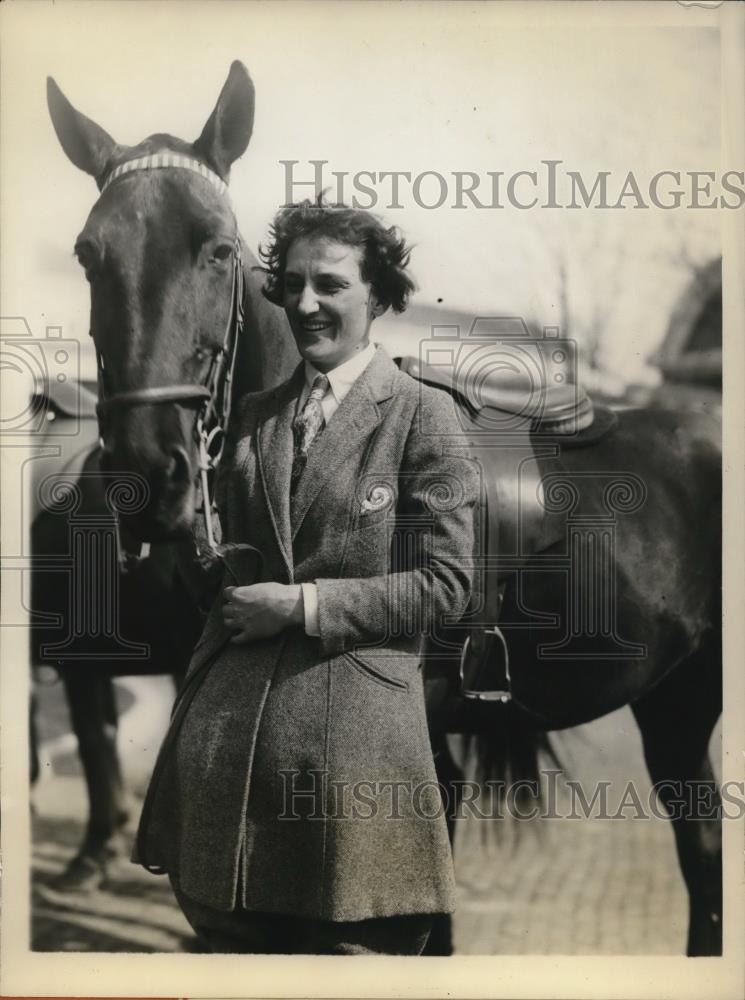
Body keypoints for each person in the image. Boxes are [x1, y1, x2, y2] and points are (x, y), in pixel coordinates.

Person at [135, 199, 479, 955]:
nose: (304, 303)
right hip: (230, 761)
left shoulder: (423, 416)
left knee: (357, 959)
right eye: (291, 284)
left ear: (378, 297)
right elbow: (229, 577)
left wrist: (301, 606)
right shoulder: (255, 414)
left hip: (357, 772)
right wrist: (184, 529)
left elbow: (448, 584)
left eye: (329, 284)